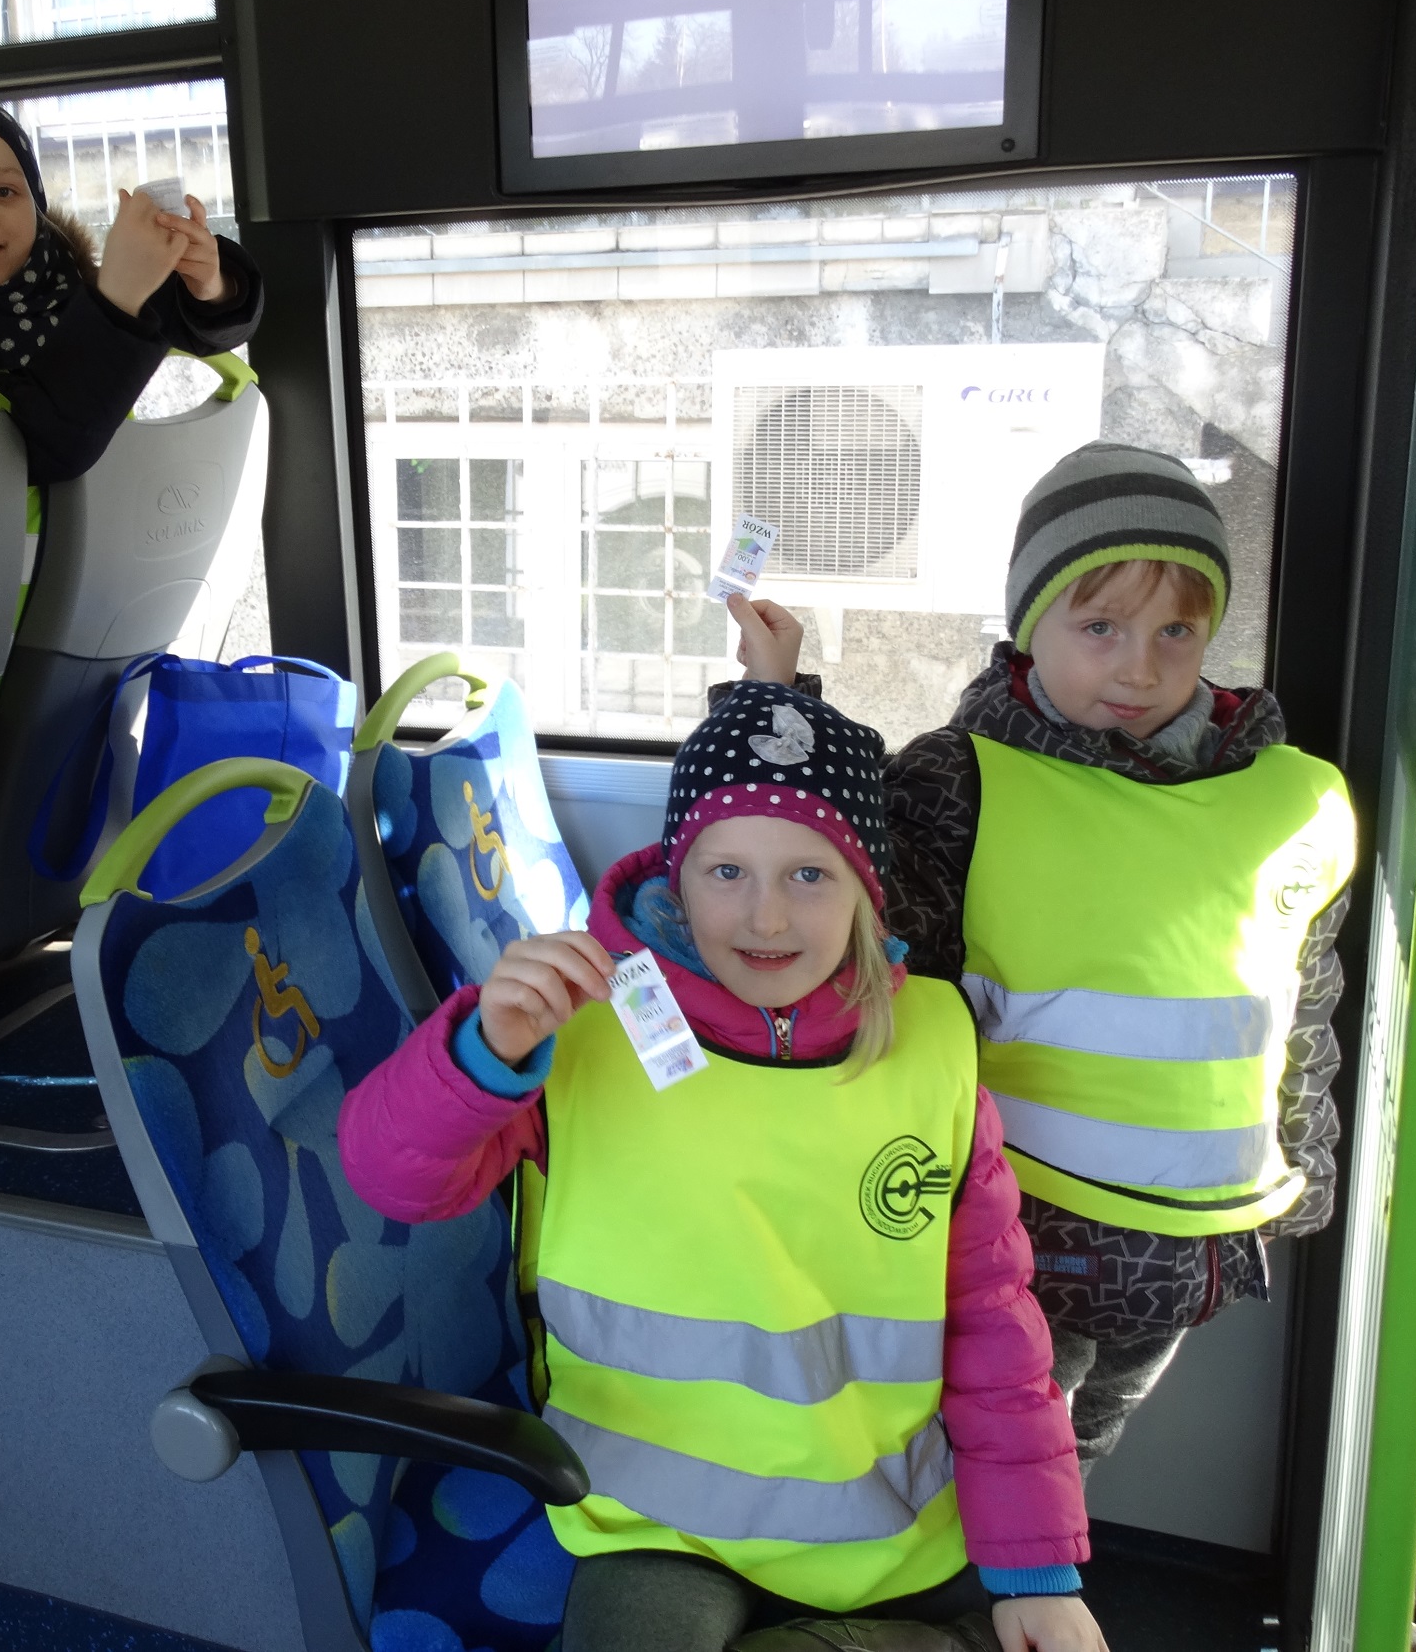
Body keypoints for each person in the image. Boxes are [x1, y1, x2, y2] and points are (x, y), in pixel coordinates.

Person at [338, 682, 1103, 1652]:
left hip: (882, 1510)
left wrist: (1036, 1571)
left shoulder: (932, 1051)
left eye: (809, 875)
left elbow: (995, 1327)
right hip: (657, 1516)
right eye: (727, 870)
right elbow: (393, 1179)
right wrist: (480, 1053)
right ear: (675, 879)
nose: (765, 917)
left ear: (865, 891)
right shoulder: (582, 1032)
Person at [734, 441, 1356, 1478]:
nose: (1139, 667)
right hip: (1022, 1234)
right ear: (1030, 628)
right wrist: (775, 702)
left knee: (1085, 1455)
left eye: (1175, 631)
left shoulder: (1291, 799)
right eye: (1098, 627)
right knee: (1004, 1465)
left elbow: (1303, 1002)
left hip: (1194, 1250)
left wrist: (1308, 1171)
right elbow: (849, 917)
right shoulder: (961, 783)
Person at [0, 87, 263, 480]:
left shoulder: (68, 284)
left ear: (36, 209)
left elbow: (202, 328)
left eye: (3, 191)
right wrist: (117, 297)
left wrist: (210, 284)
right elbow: (29, 452)